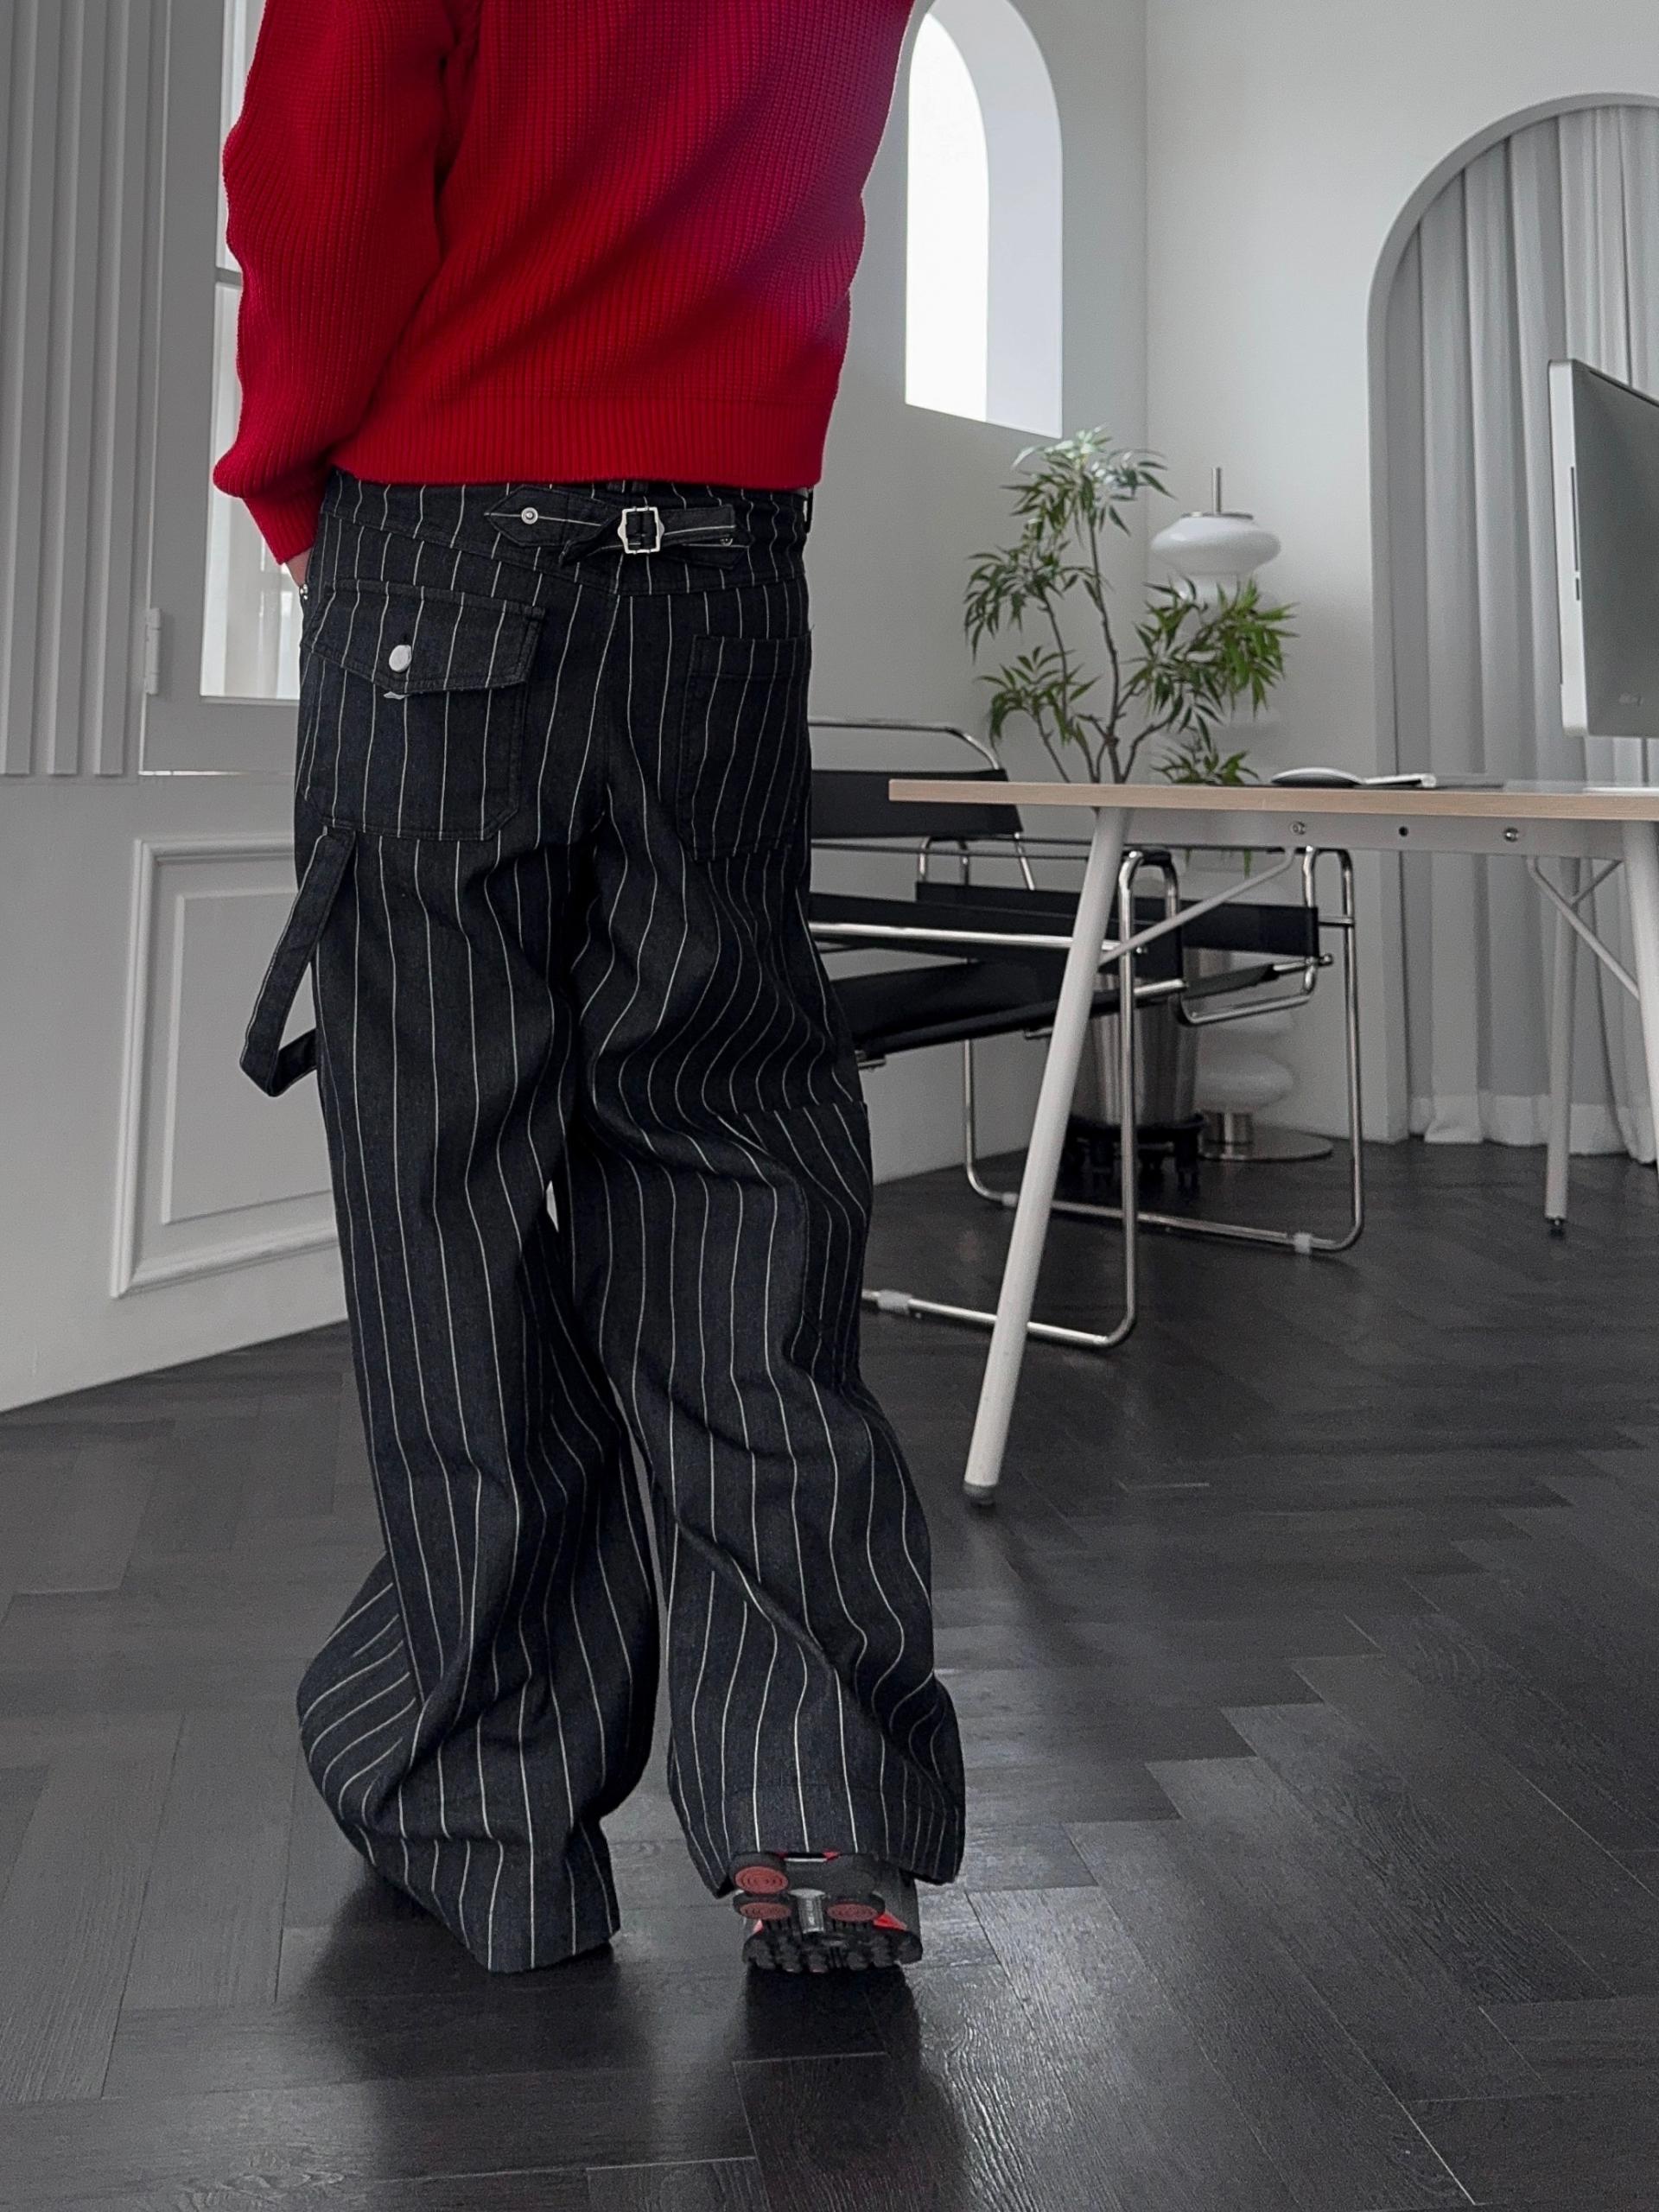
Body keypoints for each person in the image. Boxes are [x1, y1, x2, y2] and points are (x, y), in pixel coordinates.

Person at [215, 0, 965, 1977]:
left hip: (440, 549)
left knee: (447, 1197)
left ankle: (492, 1804)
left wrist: (297, 484)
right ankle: (820, 1797)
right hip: (729, 565)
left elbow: (319, 168)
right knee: (739, 1162)